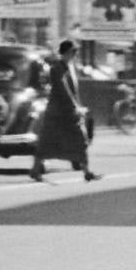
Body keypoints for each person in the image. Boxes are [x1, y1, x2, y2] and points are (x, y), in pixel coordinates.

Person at [31, 39, 100, 182]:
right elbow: (64, 90)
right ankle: (35, 170)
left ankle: (87, 172)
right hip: (59, 112)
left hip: (68, 112)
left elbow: (73, 91)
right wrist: (75, 107)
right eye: (73, 51)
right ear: (67, 52)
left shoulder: (70, 67)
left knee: (80, 140)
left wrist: (78, 106)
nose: (75, 54)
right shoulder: (57, 68)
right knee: (47, 143)